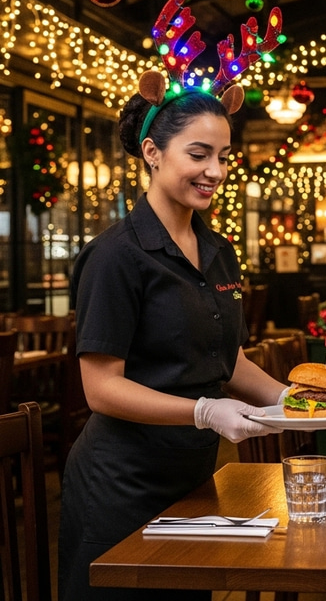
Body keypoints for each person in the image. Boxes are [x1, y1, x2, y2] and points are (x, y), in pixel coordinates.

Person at [59, 82, 286, 600]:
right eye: (199, 154)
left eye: (224, 157)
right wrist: (205, 411)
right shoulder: (116, 256)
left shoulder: (218, 250)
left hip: (194, 480)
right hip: (119, 485)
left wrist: (286, 399)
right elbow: (101, 390)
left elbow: (228, 360)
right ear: (152, 153)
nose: (216, 172)